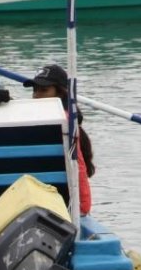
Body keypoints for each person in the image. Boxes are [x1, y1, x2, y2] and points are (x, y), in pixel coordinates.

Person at [26, 64, 94, 216]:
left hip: (60, 203)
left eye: (44, 90)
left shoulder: (65, 124)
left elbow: (79, 168)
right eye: (35, 90)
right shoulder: (70, 122)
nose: (36, 96)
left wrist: (81, 208)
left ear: (61, 94)